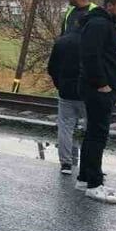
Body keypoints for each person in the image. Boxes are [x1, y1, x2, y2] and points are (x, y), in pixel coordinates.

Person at [78, 0, 116, 204]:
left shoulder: (103, 23)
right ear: (110, 5)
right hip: (99, 89)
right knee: (98, 135)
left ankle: (84, 178)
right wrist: (103, 84)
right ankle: (94, 185)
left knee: (92, 134)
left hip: (100, 87)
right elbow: (90, 56)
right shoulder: (100, 25)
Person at [47, 28, 85, 175]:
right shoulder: (91, 41)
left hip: (66, 92)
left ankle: (66, 164)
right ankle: (89, 164)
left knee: (65, 128)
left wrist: (59, 84)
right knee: (91, 129)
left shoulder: (61, 42)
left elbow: (52, 68)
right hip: (87, 92)